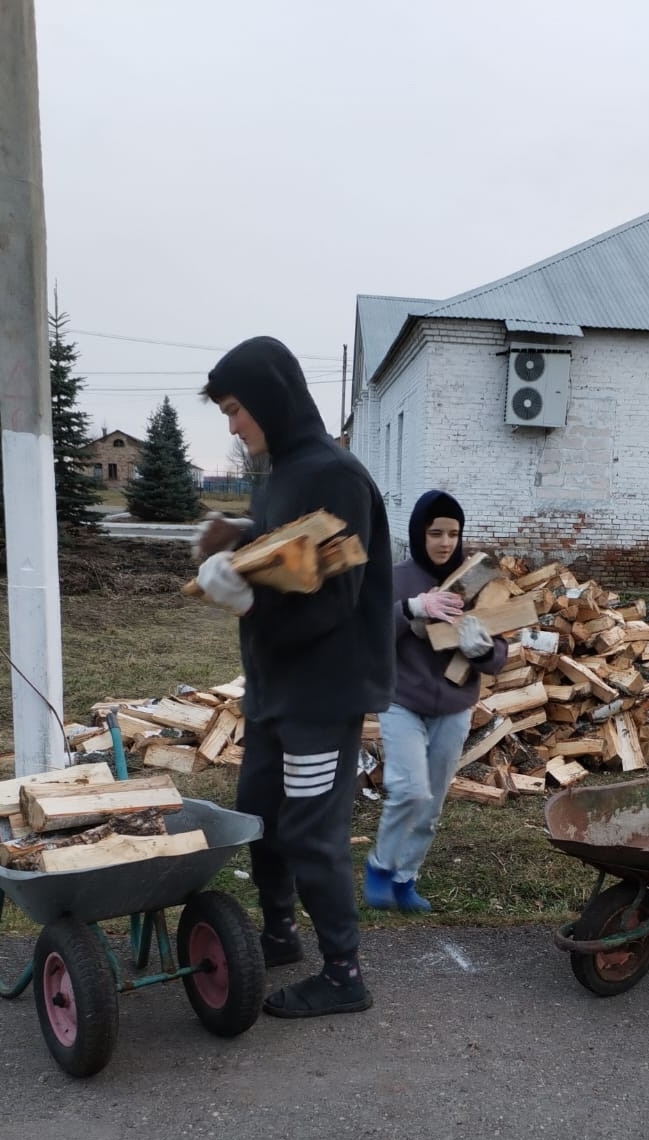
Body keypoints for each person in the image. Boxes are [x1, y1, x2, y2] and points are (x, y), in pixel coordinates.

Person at [194, 336, 394, 1018]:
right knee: (261, 817)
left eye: (235, 409)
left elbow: (333, 595)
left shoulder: (334, 474)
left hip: (320, 694)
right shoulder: (284, 471)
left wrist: (248, 597)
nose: (232, 424)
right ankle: (279, 933)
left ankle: (343, 973)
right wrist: (239, 535)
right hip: (275, 690)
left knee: (311, 829)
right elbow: (287, 538)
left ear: (271, 401)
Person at [365, 490, 508, 913]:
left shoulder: (477, 581)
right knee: (409, 789)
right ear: (418, 533)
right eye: (435, 533)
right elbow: (368, 636)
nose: (445, 542)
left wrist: (483, 650)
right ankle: (380, 866)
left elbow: (500, 654)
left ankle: (406, 879)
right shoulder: (396, 578)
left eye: (453, 533)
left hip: (455, 705)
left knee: (430, 805)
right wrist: (411, 610)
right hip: (402, 701)